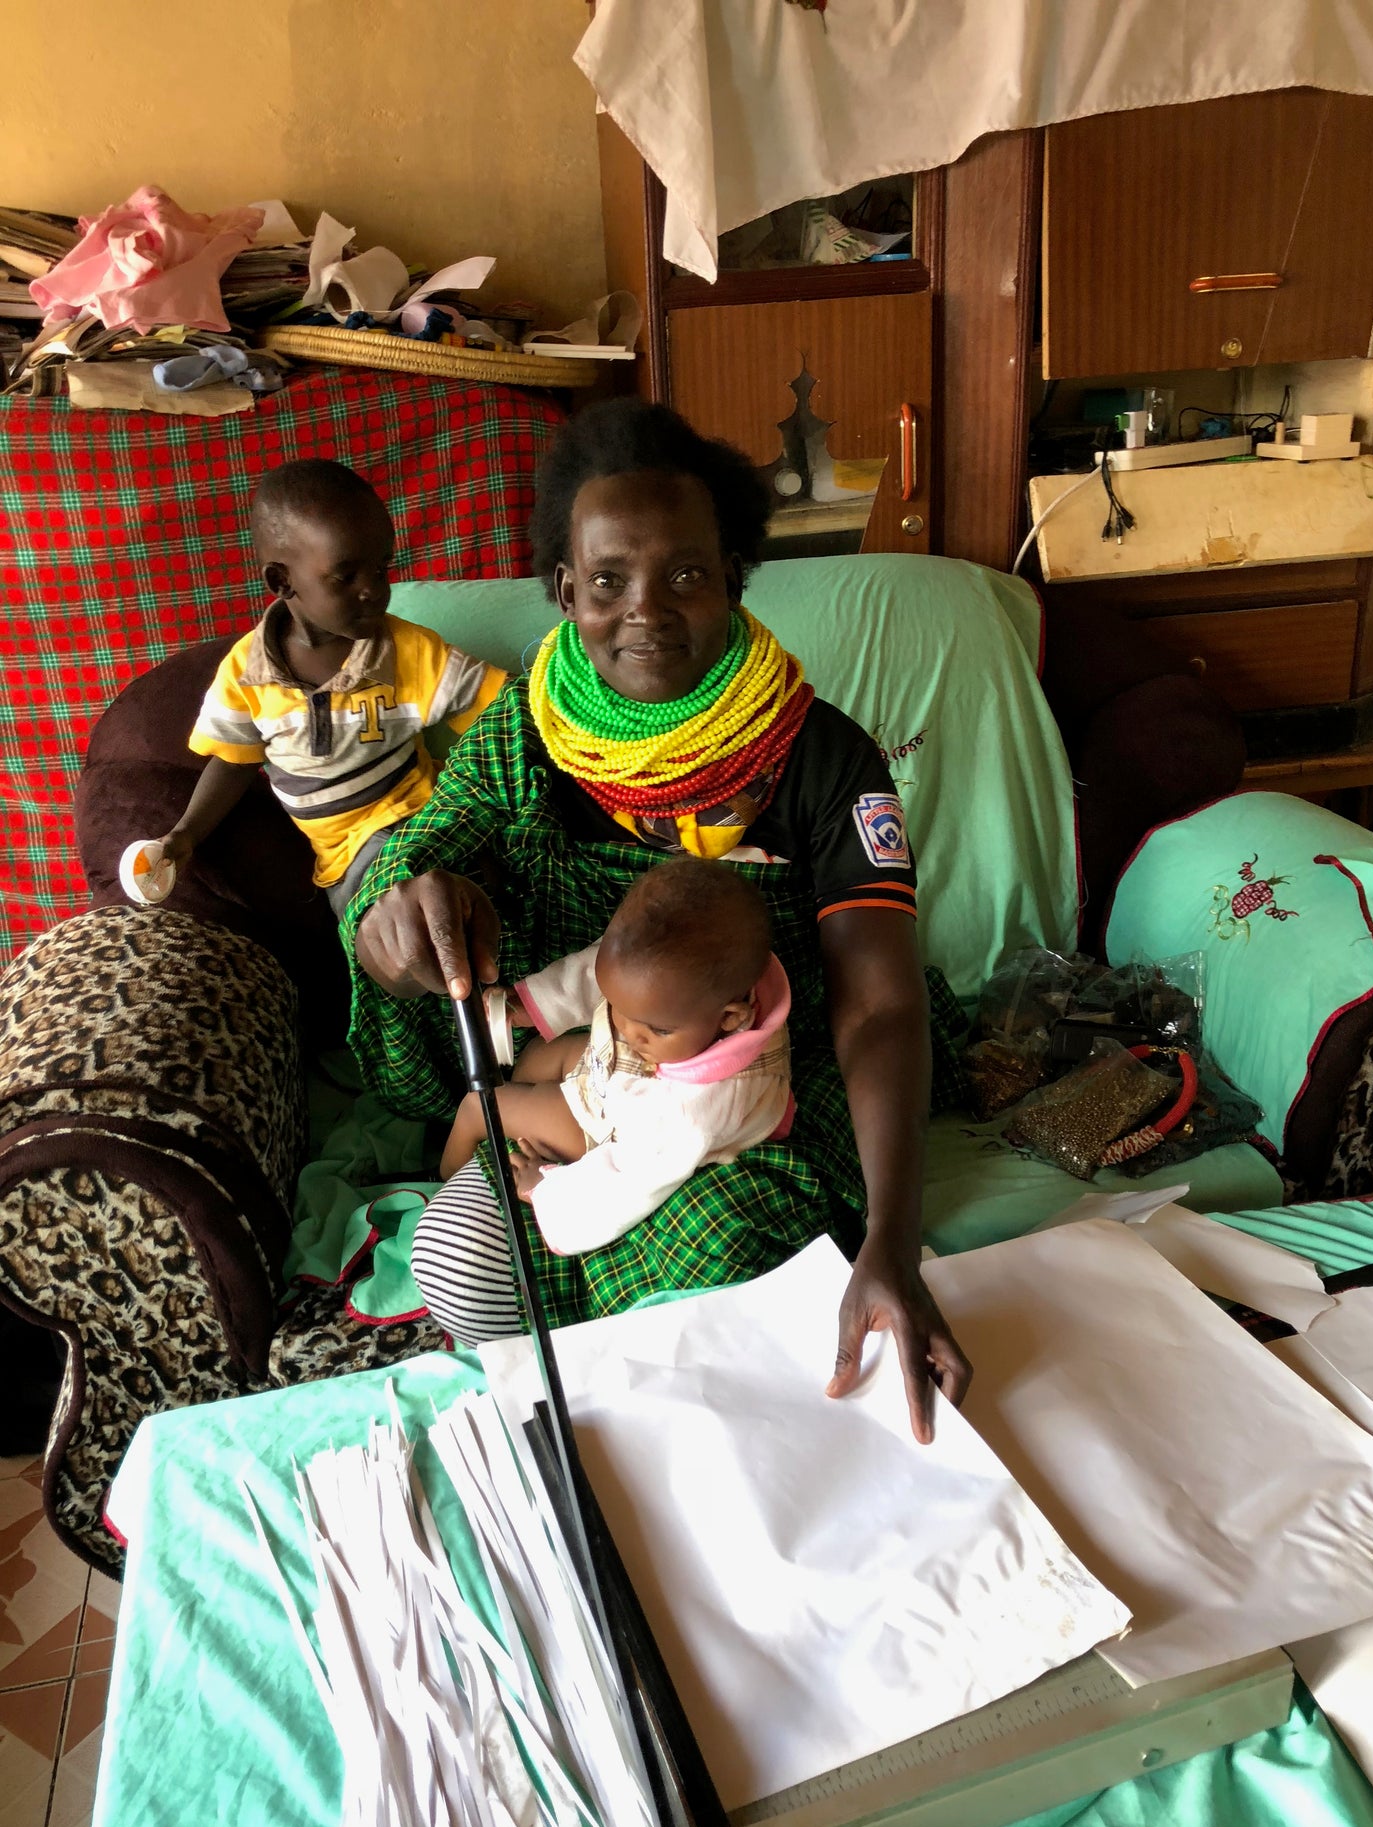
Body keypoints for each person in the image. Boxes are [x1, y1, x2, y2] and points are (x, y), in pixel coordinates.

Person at [344, 399, 972, 1442]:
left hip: (756, 1087)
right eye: (606, 581)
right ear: (562, 591)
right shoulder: (524, 732)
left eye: (684, 574)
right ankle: (564, 1437)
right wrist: (400, 913)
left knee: (727, 1252)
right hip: (590, 1072)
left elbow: (874, 1004)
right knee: (459, 1260)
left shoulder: (823, 759)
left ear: (732, 576)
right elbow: (411, 862)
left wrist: (891, 1248)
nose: (644, 609)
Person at [159, 459, 505, 915]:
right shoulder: (246, 674)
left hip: (429, 816)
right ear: (282, 581)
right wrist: (185, 833)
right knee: (397, 921)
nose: (374, 591)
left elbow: (504, 709)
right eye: (346, 577)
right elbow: (233, 764)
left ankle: (510, 970)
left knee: (496, 870)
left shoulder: (406, 651)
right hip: (352, 862)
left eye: (381, 569)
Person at [433, 859, 794, 1276]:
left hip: (621, 1128)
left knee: (479, 1108)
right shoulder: (688, 991)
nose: (624, 1026)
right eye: (617, 1005)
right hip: (623, 1075)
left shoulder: (689, 1116)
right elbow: (595, 973)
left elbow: (628, 1186)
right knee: (534, 1056)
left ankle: (439, 1183)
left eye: (655, 1027)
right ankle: (530, 1118)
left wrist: (547, 1189)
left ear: (730, 1019)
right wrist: (527, 1006)